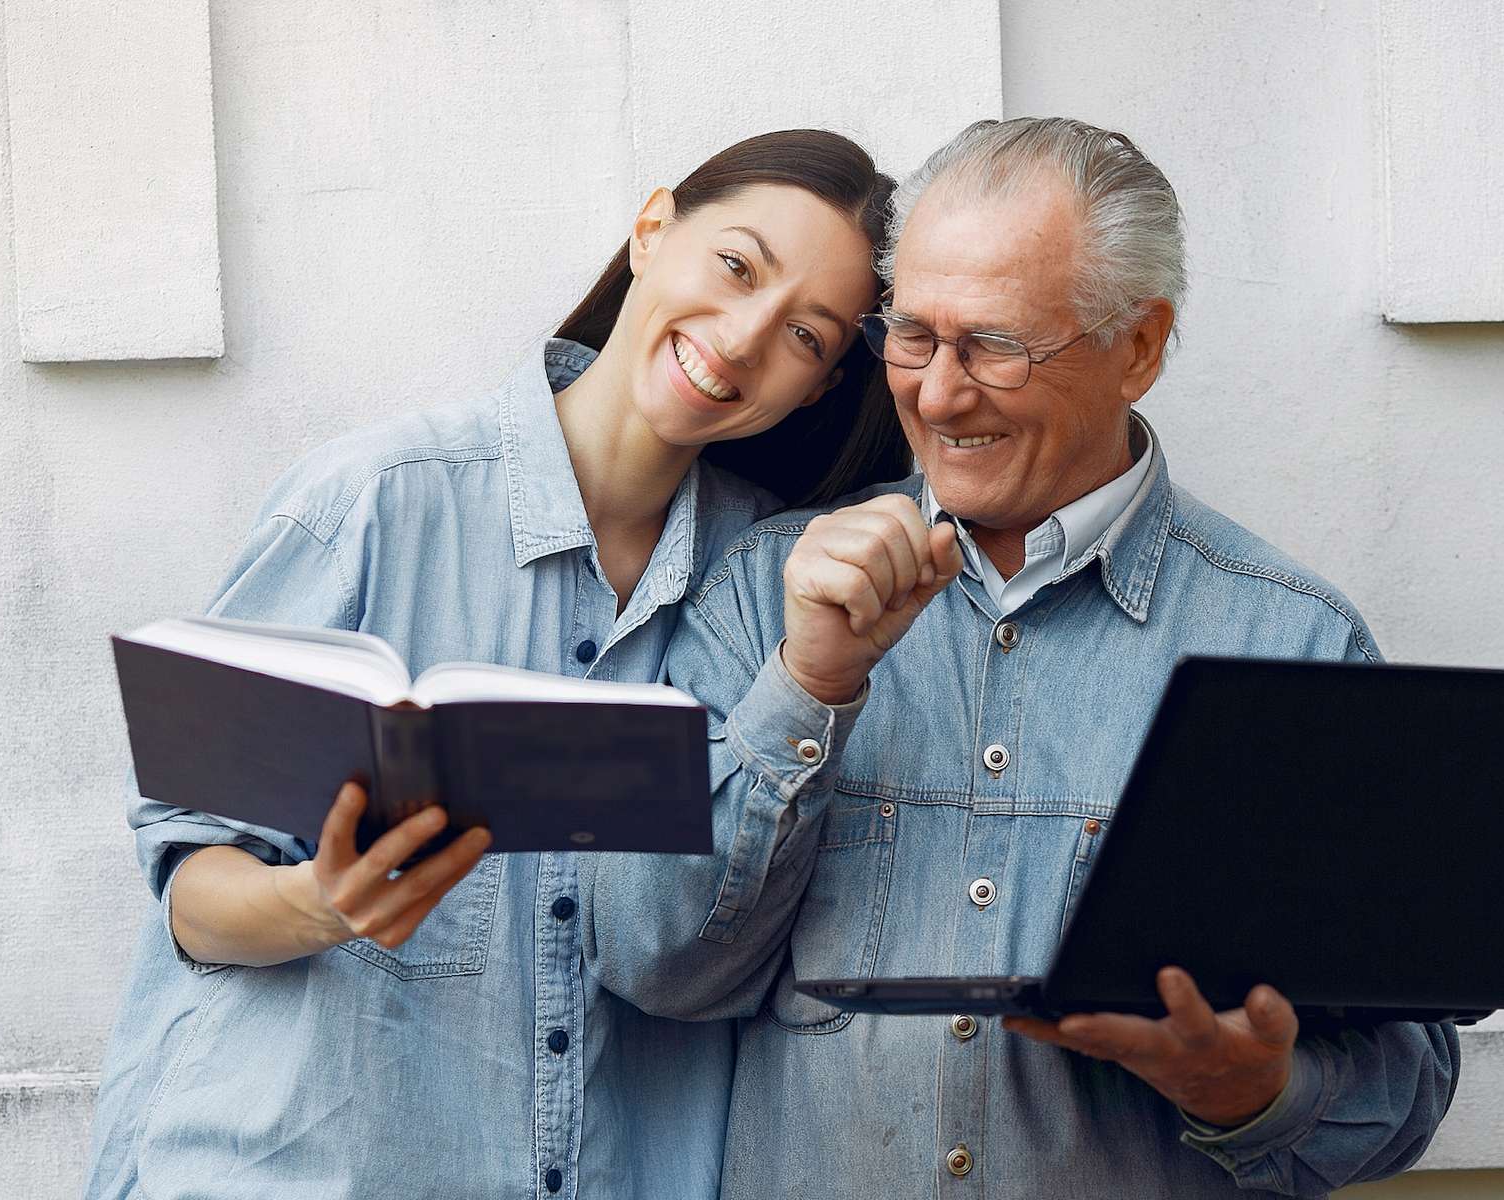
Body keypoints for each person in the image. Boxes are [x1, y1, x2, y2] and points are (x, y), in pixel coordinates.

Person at [586, 117, 1459, 1198]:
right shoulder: (765, 593)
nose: (940, 397)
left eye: (995, 347)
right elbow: (650, 965)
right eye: (911, 337)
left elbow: (1408, 1093)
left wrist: (1251, 1092)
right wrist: (806, 687)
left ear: (1138, 346)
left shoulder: (1294, 646)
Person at [83, 129, 907, 1200]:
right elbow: (193, 885)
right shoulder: (372, 504)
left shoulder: (773, 592)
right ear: (652, 231)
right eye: (736, 266)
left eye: (803, 331)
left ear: (819, 385)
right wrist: (320, 904)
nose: (744, 337)